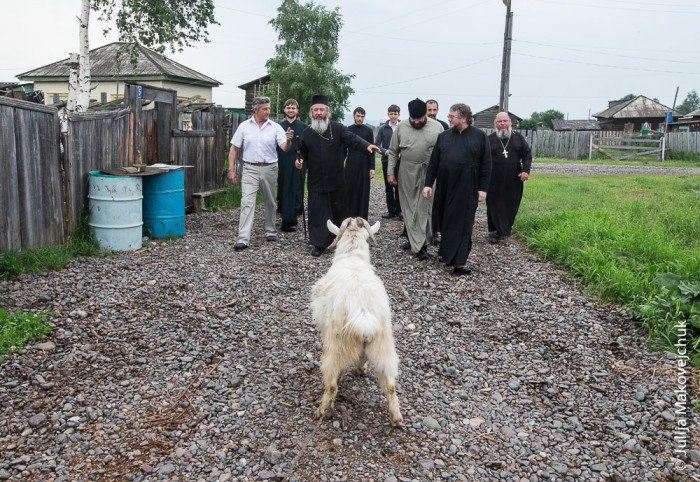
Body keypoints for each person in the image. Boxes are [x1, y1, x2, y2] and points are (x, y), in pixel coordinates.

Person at [296, 95, 380, 257]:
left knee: (339, 212)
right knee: (318, 212)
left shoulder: (338, 128)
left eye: (322, 110)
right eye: (315, 110)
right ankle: (319, 244)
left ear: (327, 111)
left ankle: (342, 240)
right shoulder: (306, 133)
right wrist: (298, 162)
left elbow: (352, 139)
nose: (318, 113)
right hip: (316, 181)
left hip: (336, 179)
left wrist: (366, 145)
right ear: (311, 112)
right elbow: (302, 153)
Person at [423, 103, 492, 275]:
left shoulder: (479, 137)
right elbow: (434, 163)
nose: (449, 119)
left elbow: (486, 165)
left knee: (463, 224)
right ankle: (447, 255)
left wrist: (483, 189)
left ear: (463, 118)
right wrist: (428, 184)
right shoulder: (444, 136)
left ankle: (459, 263)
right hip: (445, 186)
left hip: (468, 186)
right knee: (446, 221)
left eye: (451, 117)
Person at [227, 96, 293, 251]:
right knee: (247, 202)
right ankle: (243, 238)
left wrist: (289, 140)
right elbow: (233, 149)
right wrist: (231, 170)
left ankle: (270, 230)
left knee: (270, 201)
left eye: (269, 108)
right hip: (249, 168)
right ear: (256, 110)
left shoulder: (275, 127)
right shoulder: (244, 127)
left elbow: (284, 148)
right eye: (265, 109)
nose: (268, 111)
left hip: (270, 168)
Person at [387, 98, 443, 260]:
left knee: (423, 207)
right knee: (408, 207)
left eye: (420, 119)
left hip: (429, 172)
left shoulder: (437, 127)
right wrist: (391, 173)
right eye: (414, 119)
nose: (417, 122)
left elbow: (443, 152)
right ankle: (414, 239)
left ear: (425, 114)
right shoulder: (401, 127)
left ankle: (421, 245)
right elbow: (392, 151)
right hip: (406, 171)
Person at [486, 111, 532, 244]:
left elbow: (527, 155)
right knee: (494, 204)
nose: (502, 124)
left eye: (505, 121)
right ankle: (494, 231)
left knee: (511, 203)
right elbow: (483, 159)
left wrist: (526, 171)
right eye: (499, 121)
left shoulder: (518, 138)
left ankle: (505, 228)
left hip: (514, 178)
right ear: (496, 123)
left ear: (510, 122)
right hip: (494, 179)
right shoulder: (490, 139)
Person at [277, 99, 308, 232]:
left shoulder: (304, 127)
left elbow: (307, 147)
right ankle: (285, 216)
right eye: (288, 107)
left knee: (296, 188)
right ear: (284, 110)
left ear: (297, 110)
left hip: (298, 161)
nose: (290, 110)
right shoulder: (278, 126)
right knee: (284, 187)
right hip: (282, 161)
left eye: (293, 108)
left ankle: (293, 217)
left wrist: (303, 160)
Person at [344, 107, 375, 220]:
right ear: (353, 116)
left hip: (364, 163)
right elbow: (344, 149)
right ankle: (349, 215)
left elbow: (372, 151)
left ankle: (362, 216)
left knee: (363, 190)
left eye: (362, 116)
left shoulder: (368, 130)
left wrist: (372, 167)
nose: (360, 119)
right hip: (351, 162)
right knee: (350, 188)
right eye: (358, 116)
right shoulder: (348, 129)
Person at [374, 105, 402, 220]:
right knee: (389, 186)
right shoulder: (383, 128)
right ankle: (391, 211)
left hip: (401, 161)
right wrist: (386, 152)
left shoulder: (403, 127)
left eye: (395, 114)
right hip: (386, 160)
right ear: (388, 115)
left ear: (399, 115)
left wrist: (402, 153)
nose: (393, 116)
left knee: (400, 187)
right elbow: (376, 145)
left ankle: (399, 211)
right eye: (391, 113)